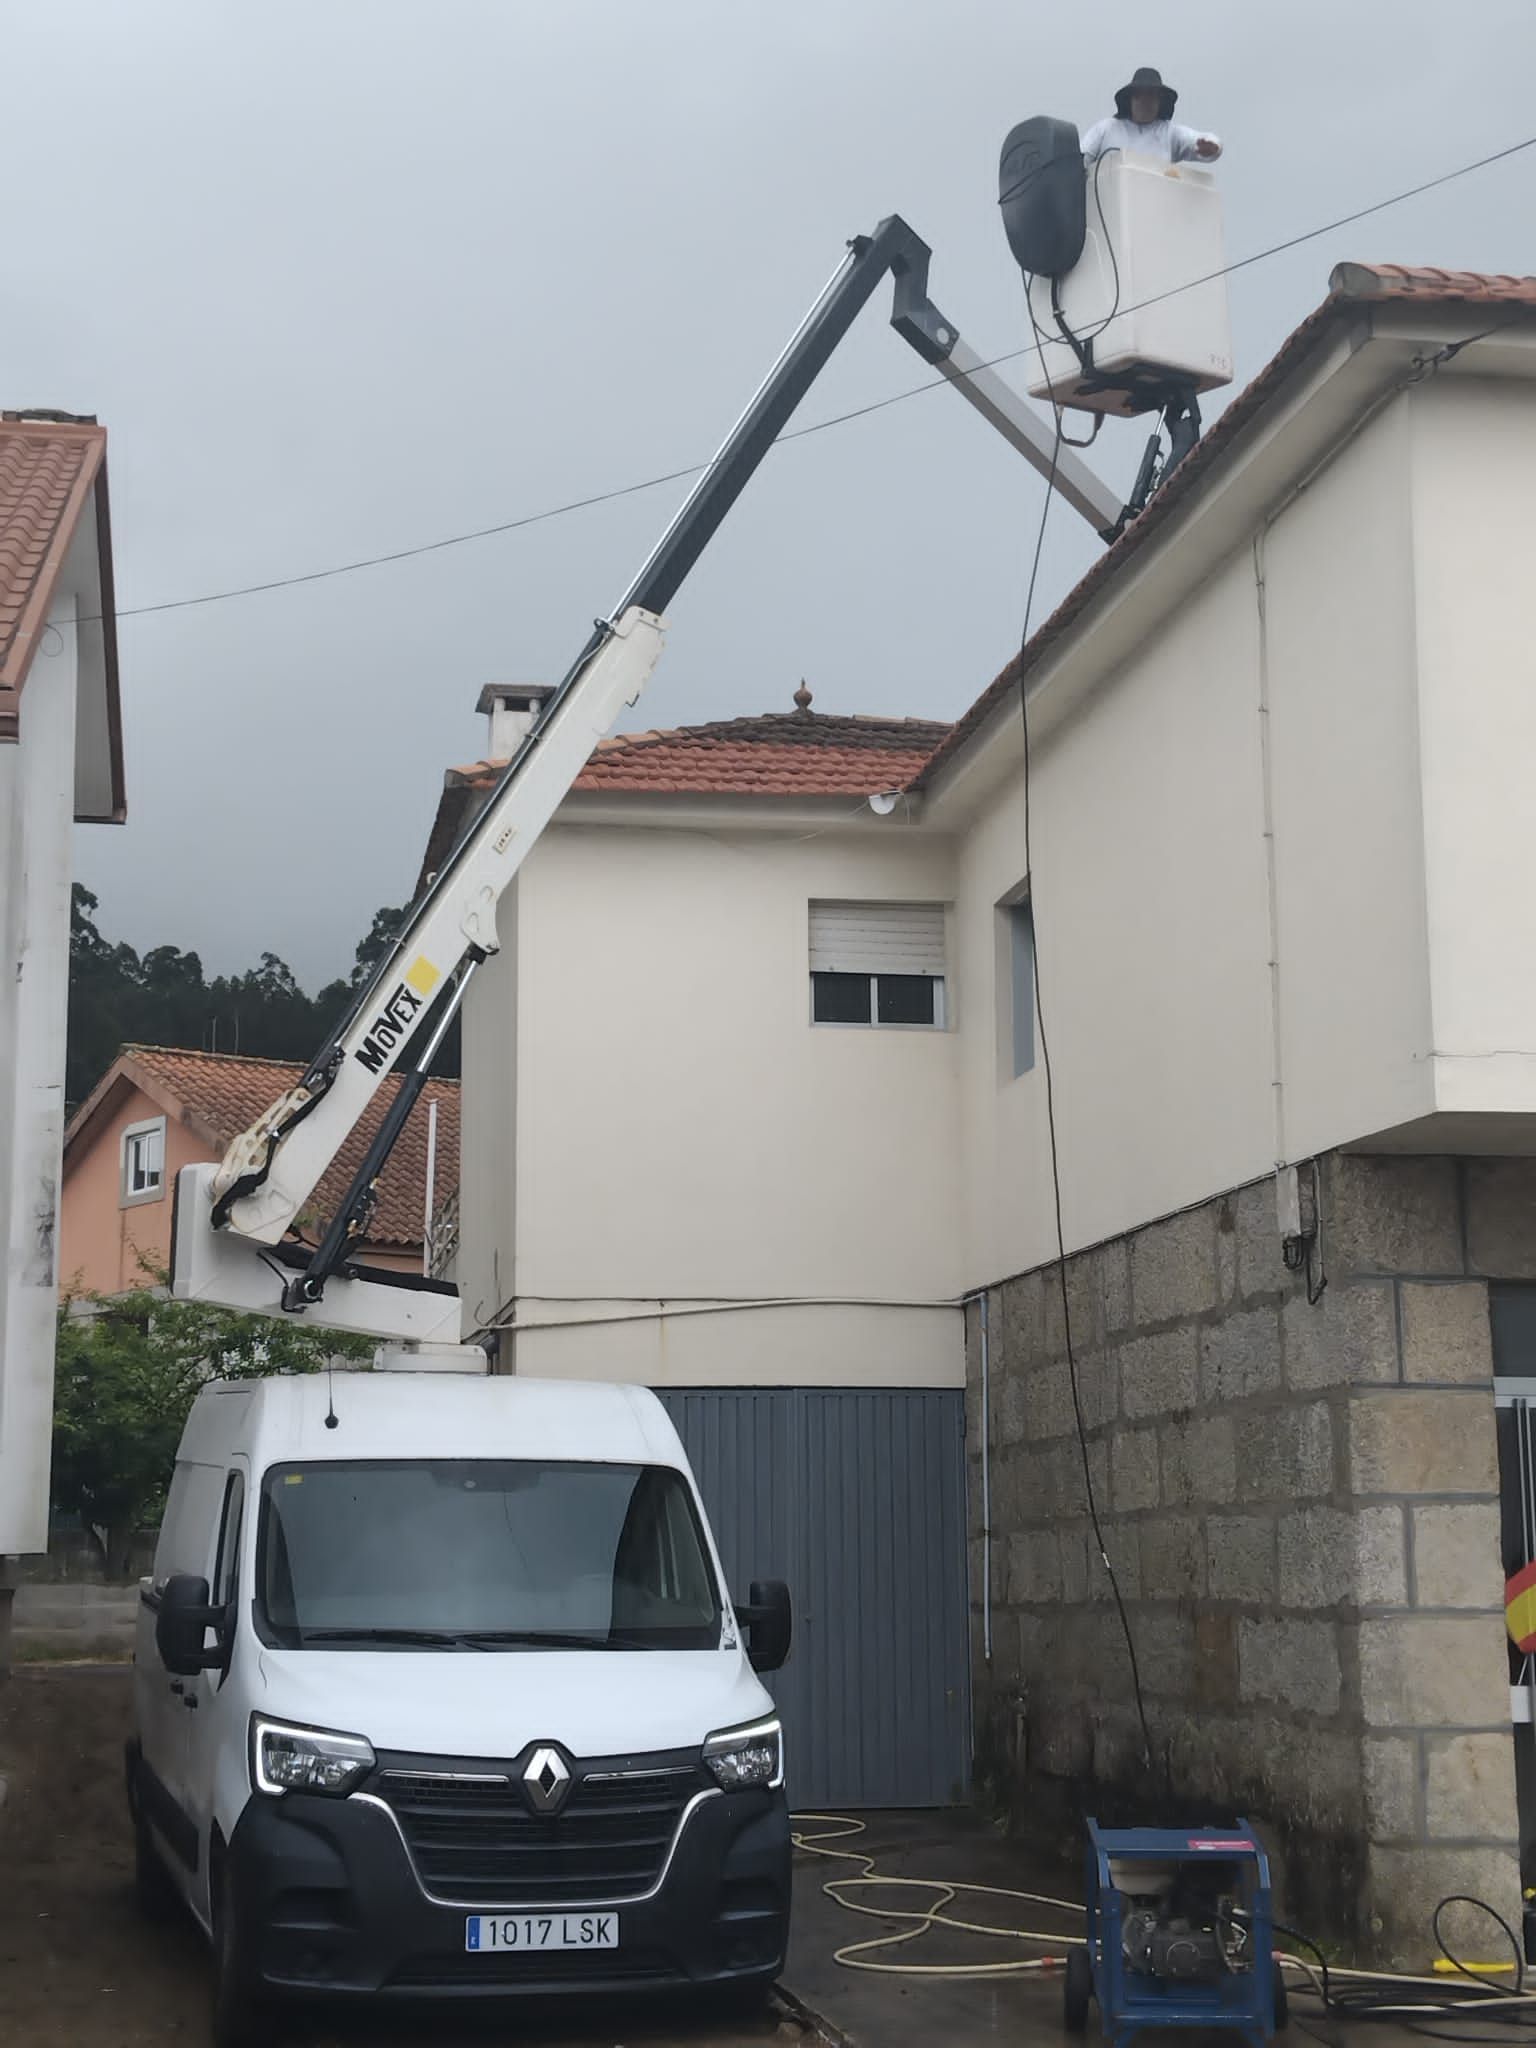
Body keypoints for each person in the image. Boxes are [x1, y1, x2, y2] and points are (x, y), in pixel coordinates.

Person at [1081, 66, 1221, 166]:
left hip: (1155, 204)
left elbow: (1197, 141)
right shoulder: (1106, 128)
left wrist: (1211, 146)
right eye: (1139, 95)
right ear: (1130, 100)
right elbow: (1079, 160)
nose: (1144, 101)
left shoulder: (1169, 133)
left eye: (1151, 95)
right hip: (1109, 205)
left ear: (1160, 101)